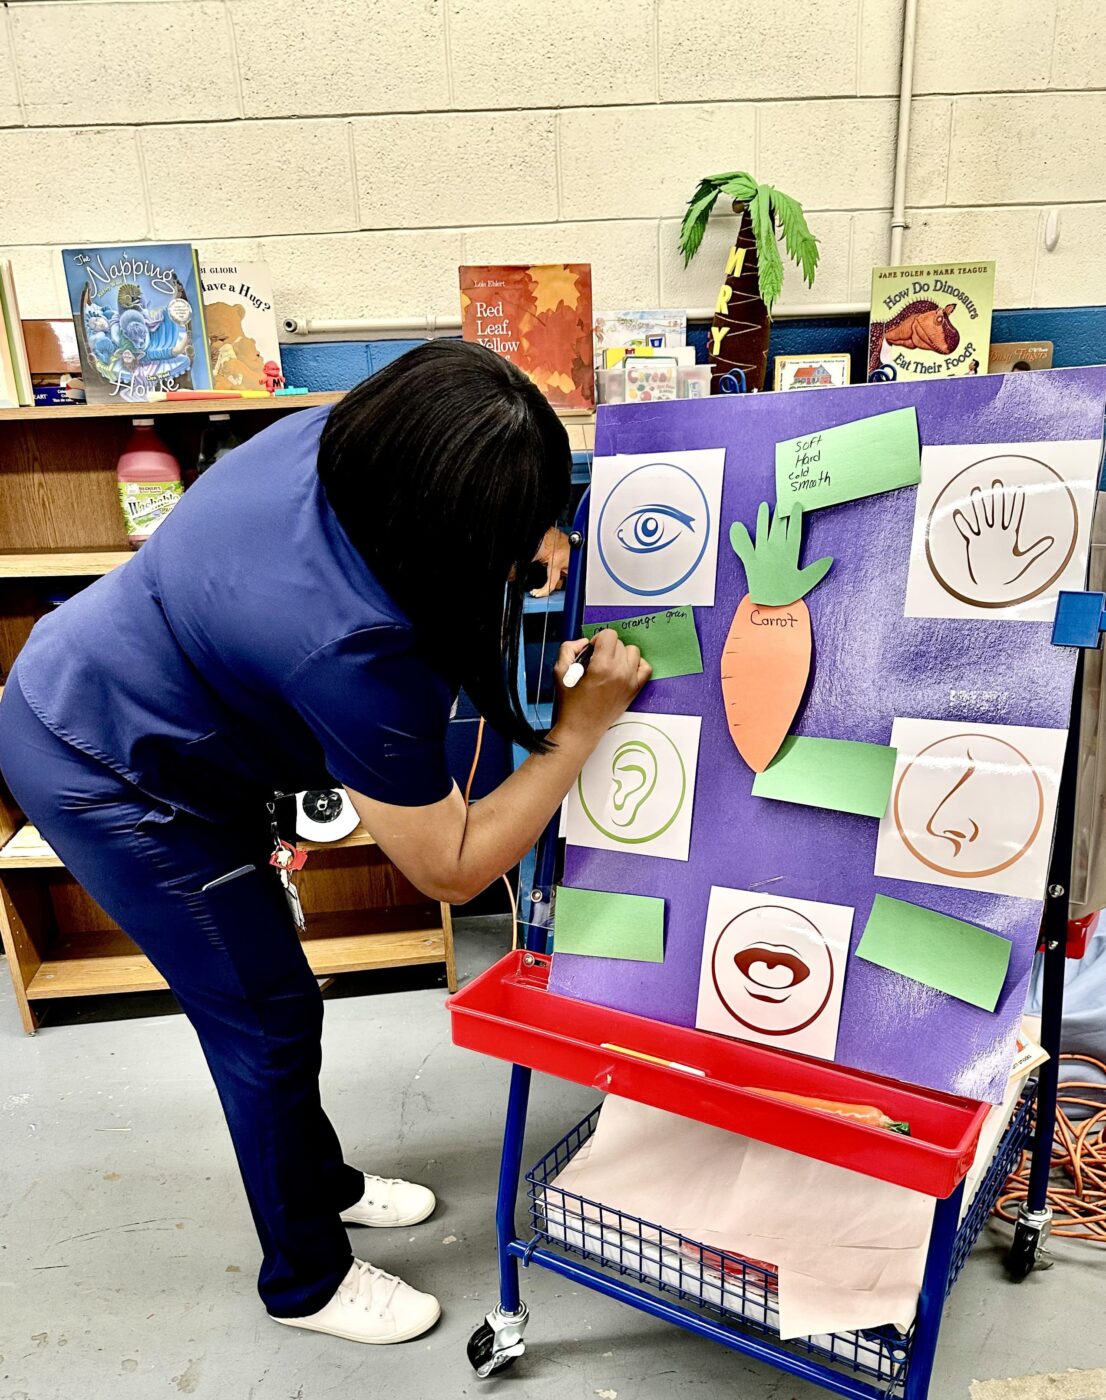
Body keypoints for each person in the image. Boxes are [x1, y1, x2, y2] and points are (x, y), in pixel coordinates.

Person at [0, 341, 649, 1346]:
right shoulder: (353, 649)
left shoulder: (343, 444)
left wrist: (524, 552)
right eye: (527, 528)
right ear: (446, 526)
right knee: (263, 1019)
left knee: (279, 999)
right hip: (110, 768)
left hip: (142, 700)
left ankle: (325, 1180)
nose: (553, 544)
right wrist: (581, 725)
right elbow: (451, 863)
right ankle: (303, 1278)